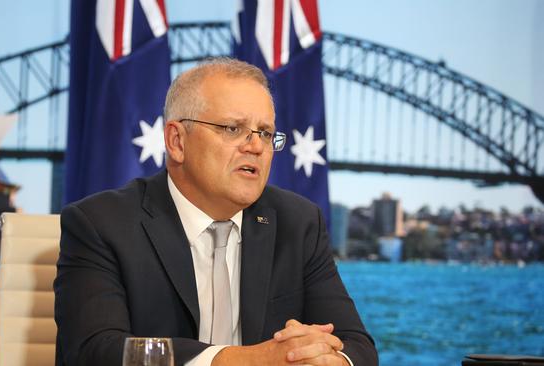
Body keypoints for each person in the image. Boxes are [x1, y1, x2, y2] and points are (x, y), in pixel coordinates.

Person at [54, 58, 377, 366]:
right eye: (233, 128)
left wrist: (324, 357)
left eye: (265, 132)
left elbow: (356, 346)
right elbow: (95, 351)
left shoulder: (298, 221)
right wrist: (248, 360)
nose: (256, 146)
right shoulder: (101, 223)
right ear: (177, 141)